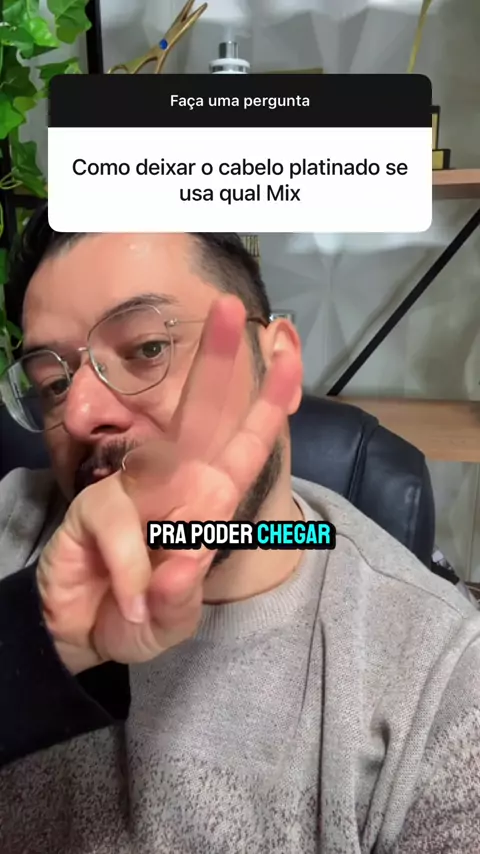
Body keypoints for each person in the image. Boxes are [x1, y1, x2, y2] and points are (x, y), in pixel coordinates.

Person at [0, 206, 479, 853]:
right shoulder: (13, 526)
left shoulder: (439, 684)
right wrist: (31, 641)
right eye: (53, 383)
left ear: (278, 366)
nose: (80, 412)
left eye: (148, 348)